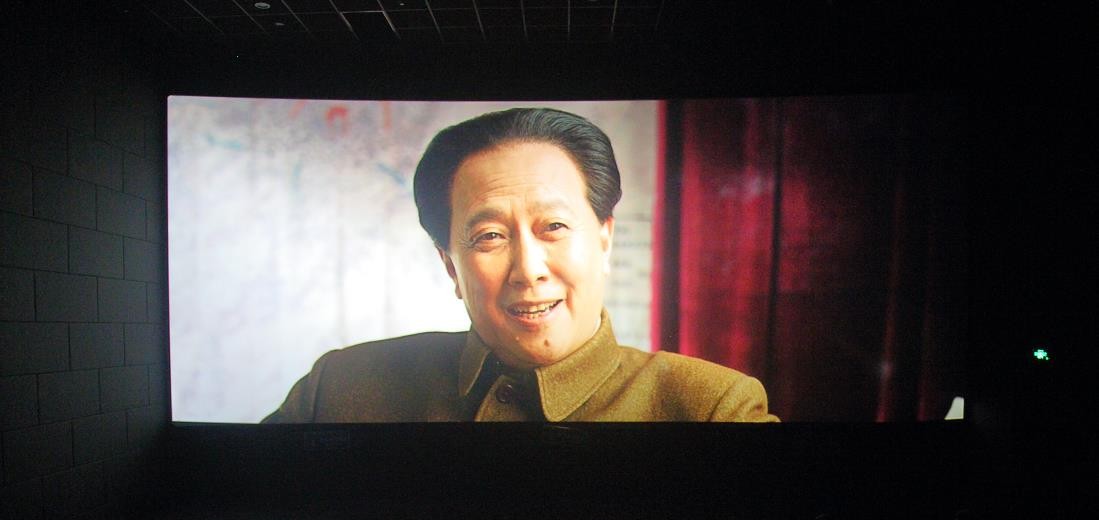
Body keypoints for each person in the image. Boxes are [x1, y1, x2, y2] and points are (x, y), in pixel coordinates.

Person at [263, 107, 778, 423]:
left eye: (553, 226)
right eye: (490, 236)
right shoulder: (340, 389)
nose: (528, 270)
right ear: (450, 267)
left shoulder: (713, 407)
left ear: (604, 239)